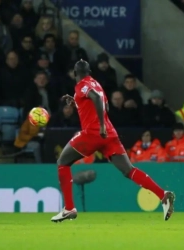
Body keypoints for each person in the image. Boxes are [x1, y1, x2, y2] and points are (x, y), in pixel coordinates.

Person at [51, 60, 175, 222]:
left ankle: (69, 208)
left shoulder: (82, 85)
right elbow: (104, 106)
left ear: (75, 74)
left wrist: (100, 126)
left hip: (93, 133)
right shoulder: (96, 84)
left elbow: (94, 98)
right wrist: (77, 103)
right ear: (90, 72)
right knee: (128, 170)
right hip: (109, 134)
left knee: (63, 162)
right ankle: (163, 195)